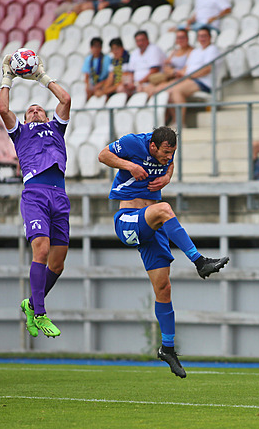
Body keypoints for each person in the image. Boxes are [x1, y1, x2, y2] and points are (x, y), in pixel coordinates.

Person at [97, 126, 229, 378]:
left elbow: (169, 166)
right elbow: (103, 155)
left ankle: (167, 348)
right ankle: (200, 261)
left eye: (173, 153)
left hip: (151, 226)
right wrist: (130, 166)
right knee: (165, 208)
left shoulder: (166, 152)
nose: (169, 157)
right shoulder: (134, 143)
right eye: (166, 153)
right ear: (154, 147)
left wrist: (168, 177)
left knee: (164, 288)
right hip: (127, 219)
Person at [0, 54, 72, 338]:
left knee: (58, 263)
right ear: (26, 119)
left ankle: (31, 303)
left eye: (39, 109)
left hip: (60, 195)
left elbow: (64, 100)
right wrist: (8, 76)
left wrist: (42, 77)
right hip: (36, 194)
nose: (35, 111)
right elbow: (3, 109)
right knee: (41, 250)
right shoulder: (21, 133)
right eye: (30, 111)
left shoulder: (56, 128)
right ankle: (40, 312)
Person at [166, 27, 220, 126]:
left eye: (204, 36)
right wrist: (179, 73)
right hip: (190, 79)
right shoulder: (196, 51)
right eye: (200, 36)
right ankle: (174, 120)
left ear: (210, 37)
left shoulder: (213, 49)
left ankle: (180, 123)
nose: (202, 38)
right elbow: (187, 67)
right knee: (169, 90)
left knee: (177, 90)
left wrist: (189, 76)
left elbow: (207, 69)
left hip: (204, 82)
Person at [143, 27, 194, 97]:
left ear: (187, 38)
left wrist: (173, 71)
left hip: (181, 78)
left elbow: (187, 69)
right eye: (178, 38)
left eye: (182, 37)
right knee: (148, 88)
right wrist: (172, 71)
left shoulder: (191, 51)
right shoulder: (175, 51)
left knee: (159, 89)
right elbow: (166, 66)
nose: (180, 40)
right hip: (170, 77)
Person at [118, 30, 166, 96]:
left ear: (147, 40)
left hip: (151, 82)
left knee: (141, 89)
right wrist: (130, 83)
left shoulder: (154, 49)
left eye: (142, 40)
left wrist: (137, 83)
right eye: (138, 41)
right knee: (120, 89)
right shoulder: (134, 53)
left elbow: (154, 71)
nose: (140, 43)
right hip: (136, 83)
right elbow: (131, 72)